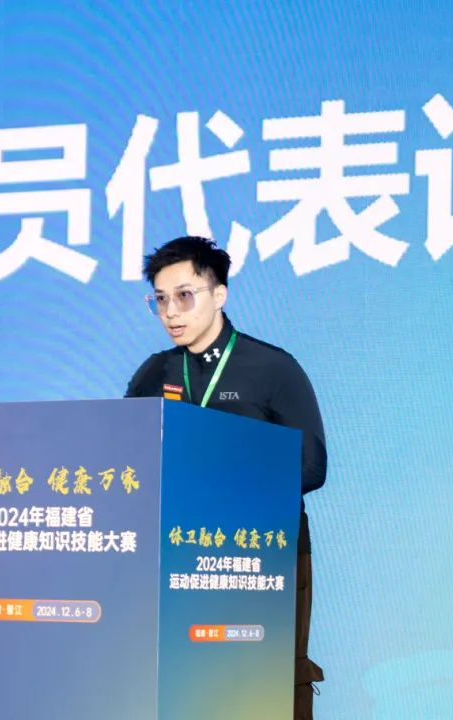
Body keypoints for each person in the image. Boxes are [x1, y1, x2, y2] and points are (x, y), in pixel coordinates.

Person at [125, 236, 326, 718]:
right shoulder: (154, 373)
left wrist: (220, 484)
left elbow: (311, 466)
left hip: (263, 555)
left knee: (268, 682)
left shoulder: (273, 368)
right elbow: (128, 459)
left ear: (219, 294)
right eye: (160, 299)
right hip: (177, 554)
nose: (171, 312)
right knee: (185, 681)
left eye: (185, 295)